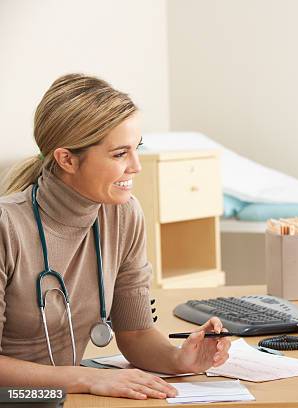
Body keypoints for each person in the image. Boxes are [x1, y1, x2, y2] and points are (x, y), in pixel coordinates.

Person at [0, 74, 231, 399]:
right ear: (66, 159)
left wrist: (180, 358)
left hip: (67, 399)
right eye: (120, 154)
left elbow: (135, 333)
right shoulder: (6, 227)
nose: (136, 166)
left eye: (137, 149)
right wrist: (87, 379)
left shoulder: (123, 215)